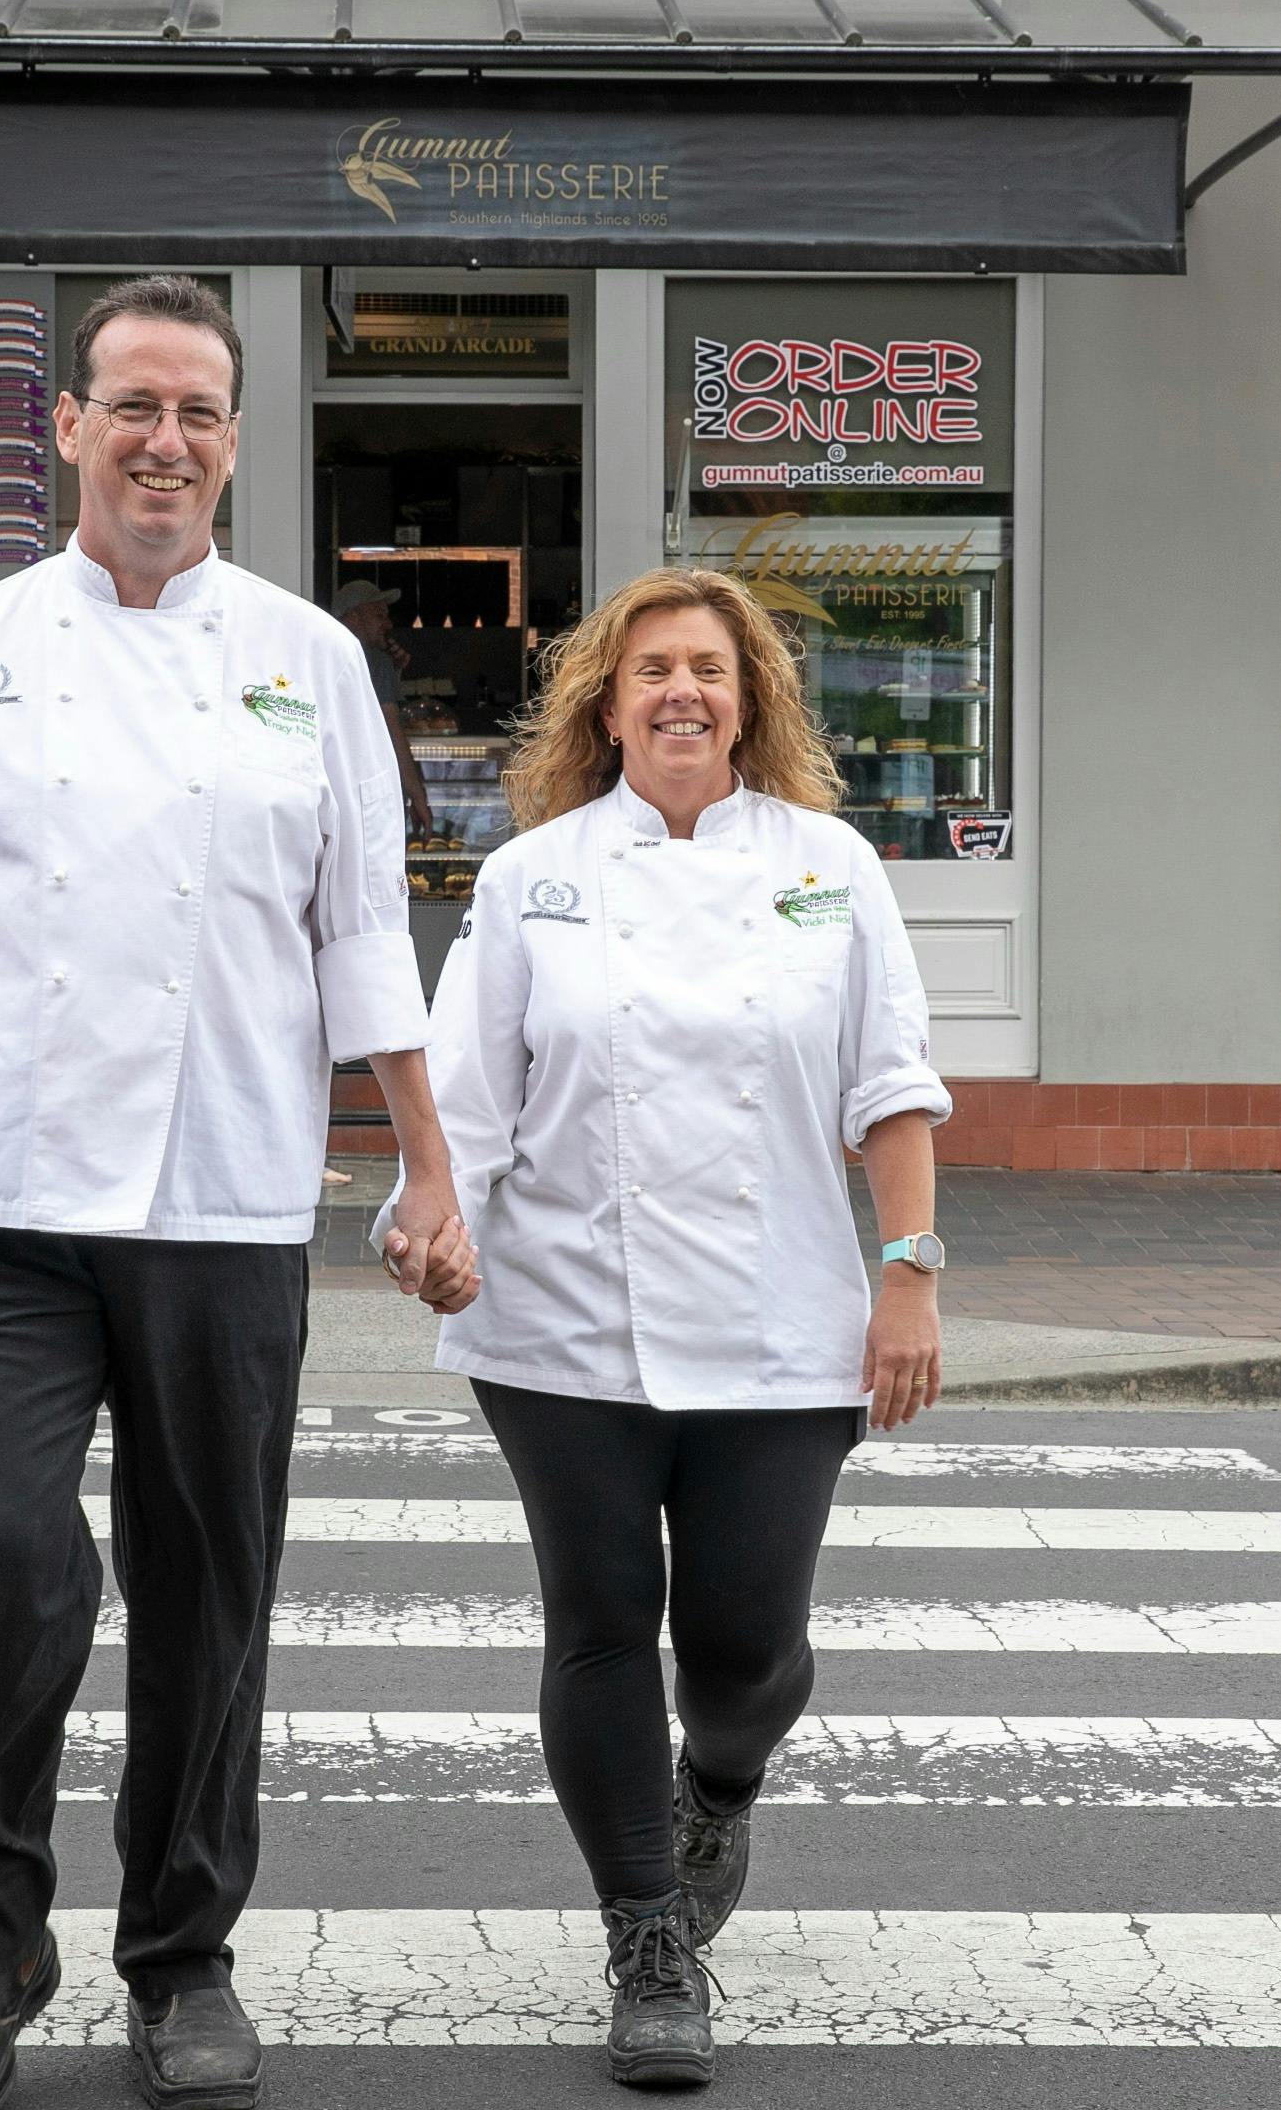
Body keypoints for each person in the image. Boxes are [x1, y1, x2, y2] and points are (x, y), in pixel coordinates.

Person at [0, 274, 479, 2110]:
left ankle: (184, 1955)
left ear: (236, 443)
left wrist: (427, 1163)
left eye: (202, 412)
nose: (167, 440)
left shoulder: (309, 660)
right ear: (68, 426)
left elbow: (363, 941)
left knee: (210, 1595)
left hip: (231, 1199)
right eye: (134, 404)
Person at [396, 566, 949, 2089]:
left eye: (707, 667)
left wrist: (909, 1267)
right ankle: (648, 1942)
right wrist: (433, 1219)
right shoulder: (534, 878)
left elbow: (888, 1082)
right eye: (650, 672)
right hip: (561, 1319)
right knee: (596, 1625)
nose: (680, 692)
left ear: (751, 695)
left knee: (743, 1645)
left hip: (782, 1322)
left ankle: (723, 1779)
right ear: (606, 702)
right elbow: (469, 1103)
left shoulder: (829, 865)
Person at [330, 576, 433, 836]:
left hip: (332, 792)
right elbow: (390, 730)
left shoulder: (324, 653)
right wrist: (417, 793)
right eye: (378, 615)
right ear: (353, 618)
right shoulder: (376, 661)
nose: (387, 624)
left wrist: (394, 676)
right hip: (369, 797)